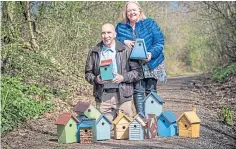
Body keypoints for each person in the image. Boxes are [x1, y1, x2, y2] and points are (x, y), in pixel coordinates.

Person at [115, 1, 166, 114]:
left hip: (151, 62)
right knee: (138, 91)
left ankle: (152, 120)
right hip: (134, 65)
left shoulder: (150, 23)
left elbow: (159, 42)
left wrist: (151, 54)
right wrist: (124, 41)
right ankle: (141, 119)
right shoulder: (120, 26)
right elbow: (114, 39)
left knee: (150, 90)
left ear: (139, 11)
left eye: (134, 10)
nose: (131, 12)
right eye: (129, 10)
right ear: (126, 12)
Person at [85, 23, 141, 121]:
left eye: (109, 32)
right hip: (103, 96)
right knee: (103, 130)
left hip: (123, 96)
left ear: (115, 34)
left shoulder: (126, 50)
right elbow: (88, 73)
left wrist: (123, 77)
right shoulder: (94, 51)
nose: (106, 36)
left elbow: (137, 72)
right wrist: (96, 79)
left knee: (125, 130)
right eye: (103, 33)